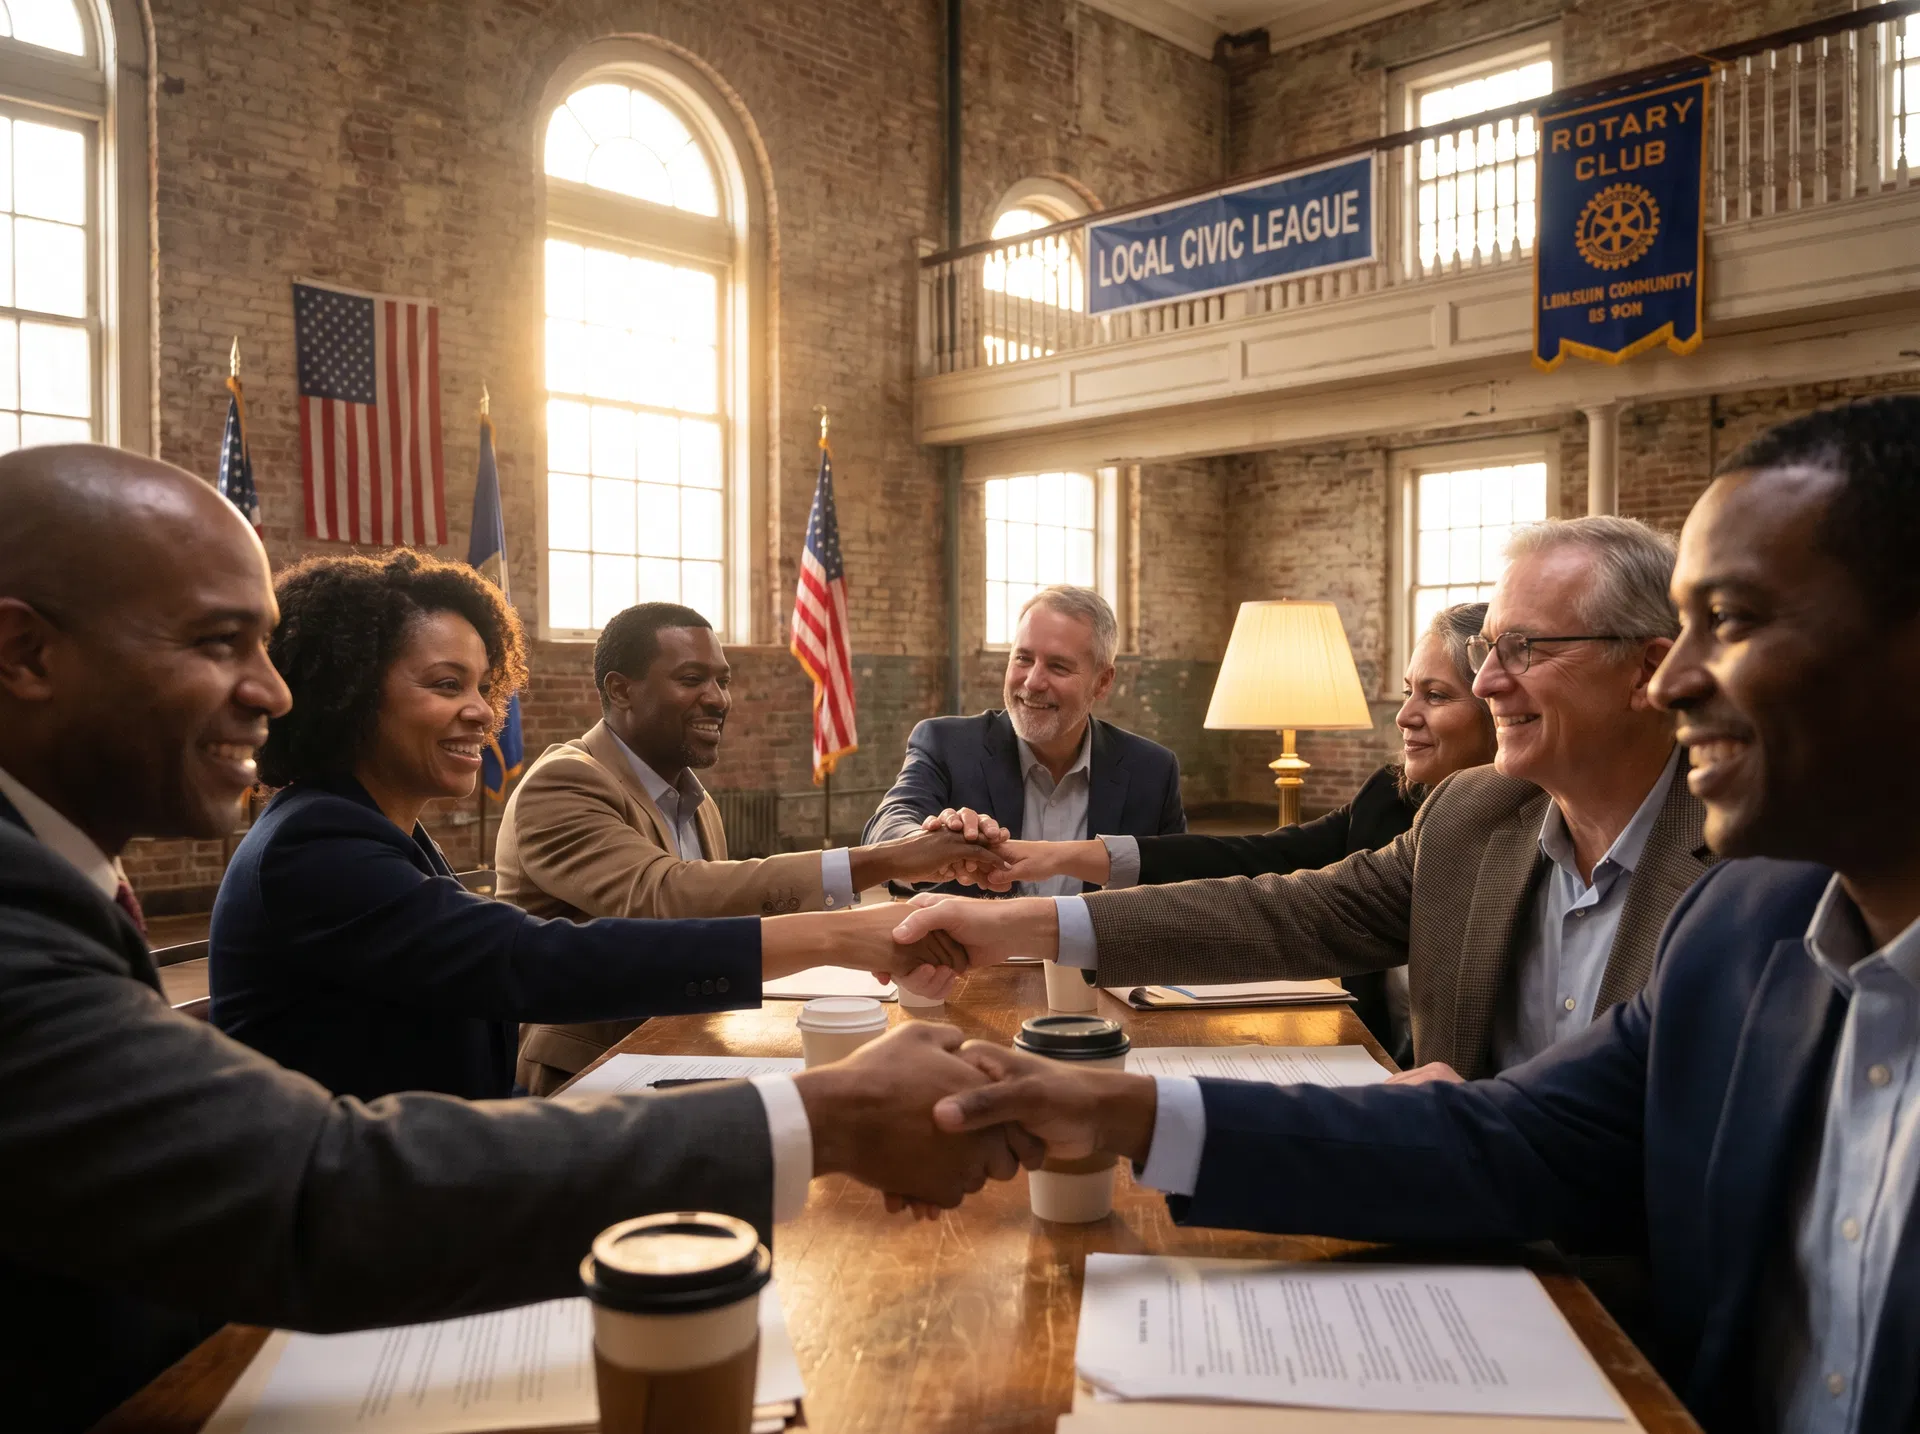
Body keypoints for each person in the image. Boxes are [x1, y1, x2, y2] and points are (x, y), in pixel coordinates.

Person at [932, 397, 1920, 1434]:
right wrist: (1108, 1106)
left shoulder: (1725, 890)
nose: (1680, 681)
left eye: (1737, 621)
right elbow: (1512, 1131)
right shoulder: (1749, 928)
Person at [0, 445, 1029, 1434]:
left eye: (266, 647)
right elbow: (533, 967)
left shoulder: (352, 838)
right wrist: (820, 1107)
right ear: (26, 654)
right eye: (216, 641)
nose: (270, 689)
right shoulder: (308, 844)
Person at [894, 516, 1711, 1080]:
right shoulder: (1474, 813)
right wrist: (1011, 924)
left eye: (1523, 650)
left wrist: (1496, 1118)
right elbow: (1280, 909)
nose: (1490, 680)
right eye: (1491, 649)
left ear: (1648, 670)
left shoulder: (1749, 858)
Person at [209, 551, 969, 1103]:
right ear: (347, 694)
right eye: (446, 686)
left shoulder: (383, 834)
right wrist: (842, 934)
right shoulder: (313, 848)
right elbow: (532, 961)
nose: (481, 711)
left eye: (483, 685)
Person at [496, 601, 1008, 1094]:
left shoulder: (692, 800)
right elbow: (665, 899)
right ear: (621, 690)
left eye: (723, 680)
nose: (718, 698)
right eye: (692, 679)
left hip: (686, 1046)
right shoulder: (563, 782)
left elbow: (719, 919)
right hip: (592, 1073)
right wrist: (883, 863)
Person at [973, 601, 1497, 1061]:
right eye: (1408, 691)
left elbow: (1290, 911)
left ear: (1496, 707)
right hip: (1379, 1067)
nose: (1404, 715)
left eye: (1435, 695)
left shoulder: (1522, 842)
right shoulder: (1389, 798)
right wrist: (1064, 857)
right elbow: (1252, 859)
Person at [863, 584, 1186, 897]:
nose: (1032, 682)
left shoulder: (1152, 771)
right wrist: (924, 842)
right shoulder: (944, 744)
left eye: (1058, 666)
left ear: (1102, 682)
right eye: (1023, 659)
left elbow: (1180, 893)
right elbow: (889, 824)